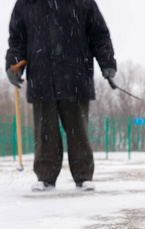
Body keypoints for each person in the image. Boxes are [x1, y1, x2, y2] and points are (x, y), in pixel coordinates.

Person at [5, 0, 117, 191]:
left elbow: (99, 34)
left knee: (78, 130)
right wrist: (14, 64)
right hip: (41, 78)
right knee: (44, 131)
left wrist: (107, 62)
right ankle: (45, 177)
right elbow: (17, 38)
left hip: (76, 75)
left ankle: (83, 176)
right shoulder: (26, 3)